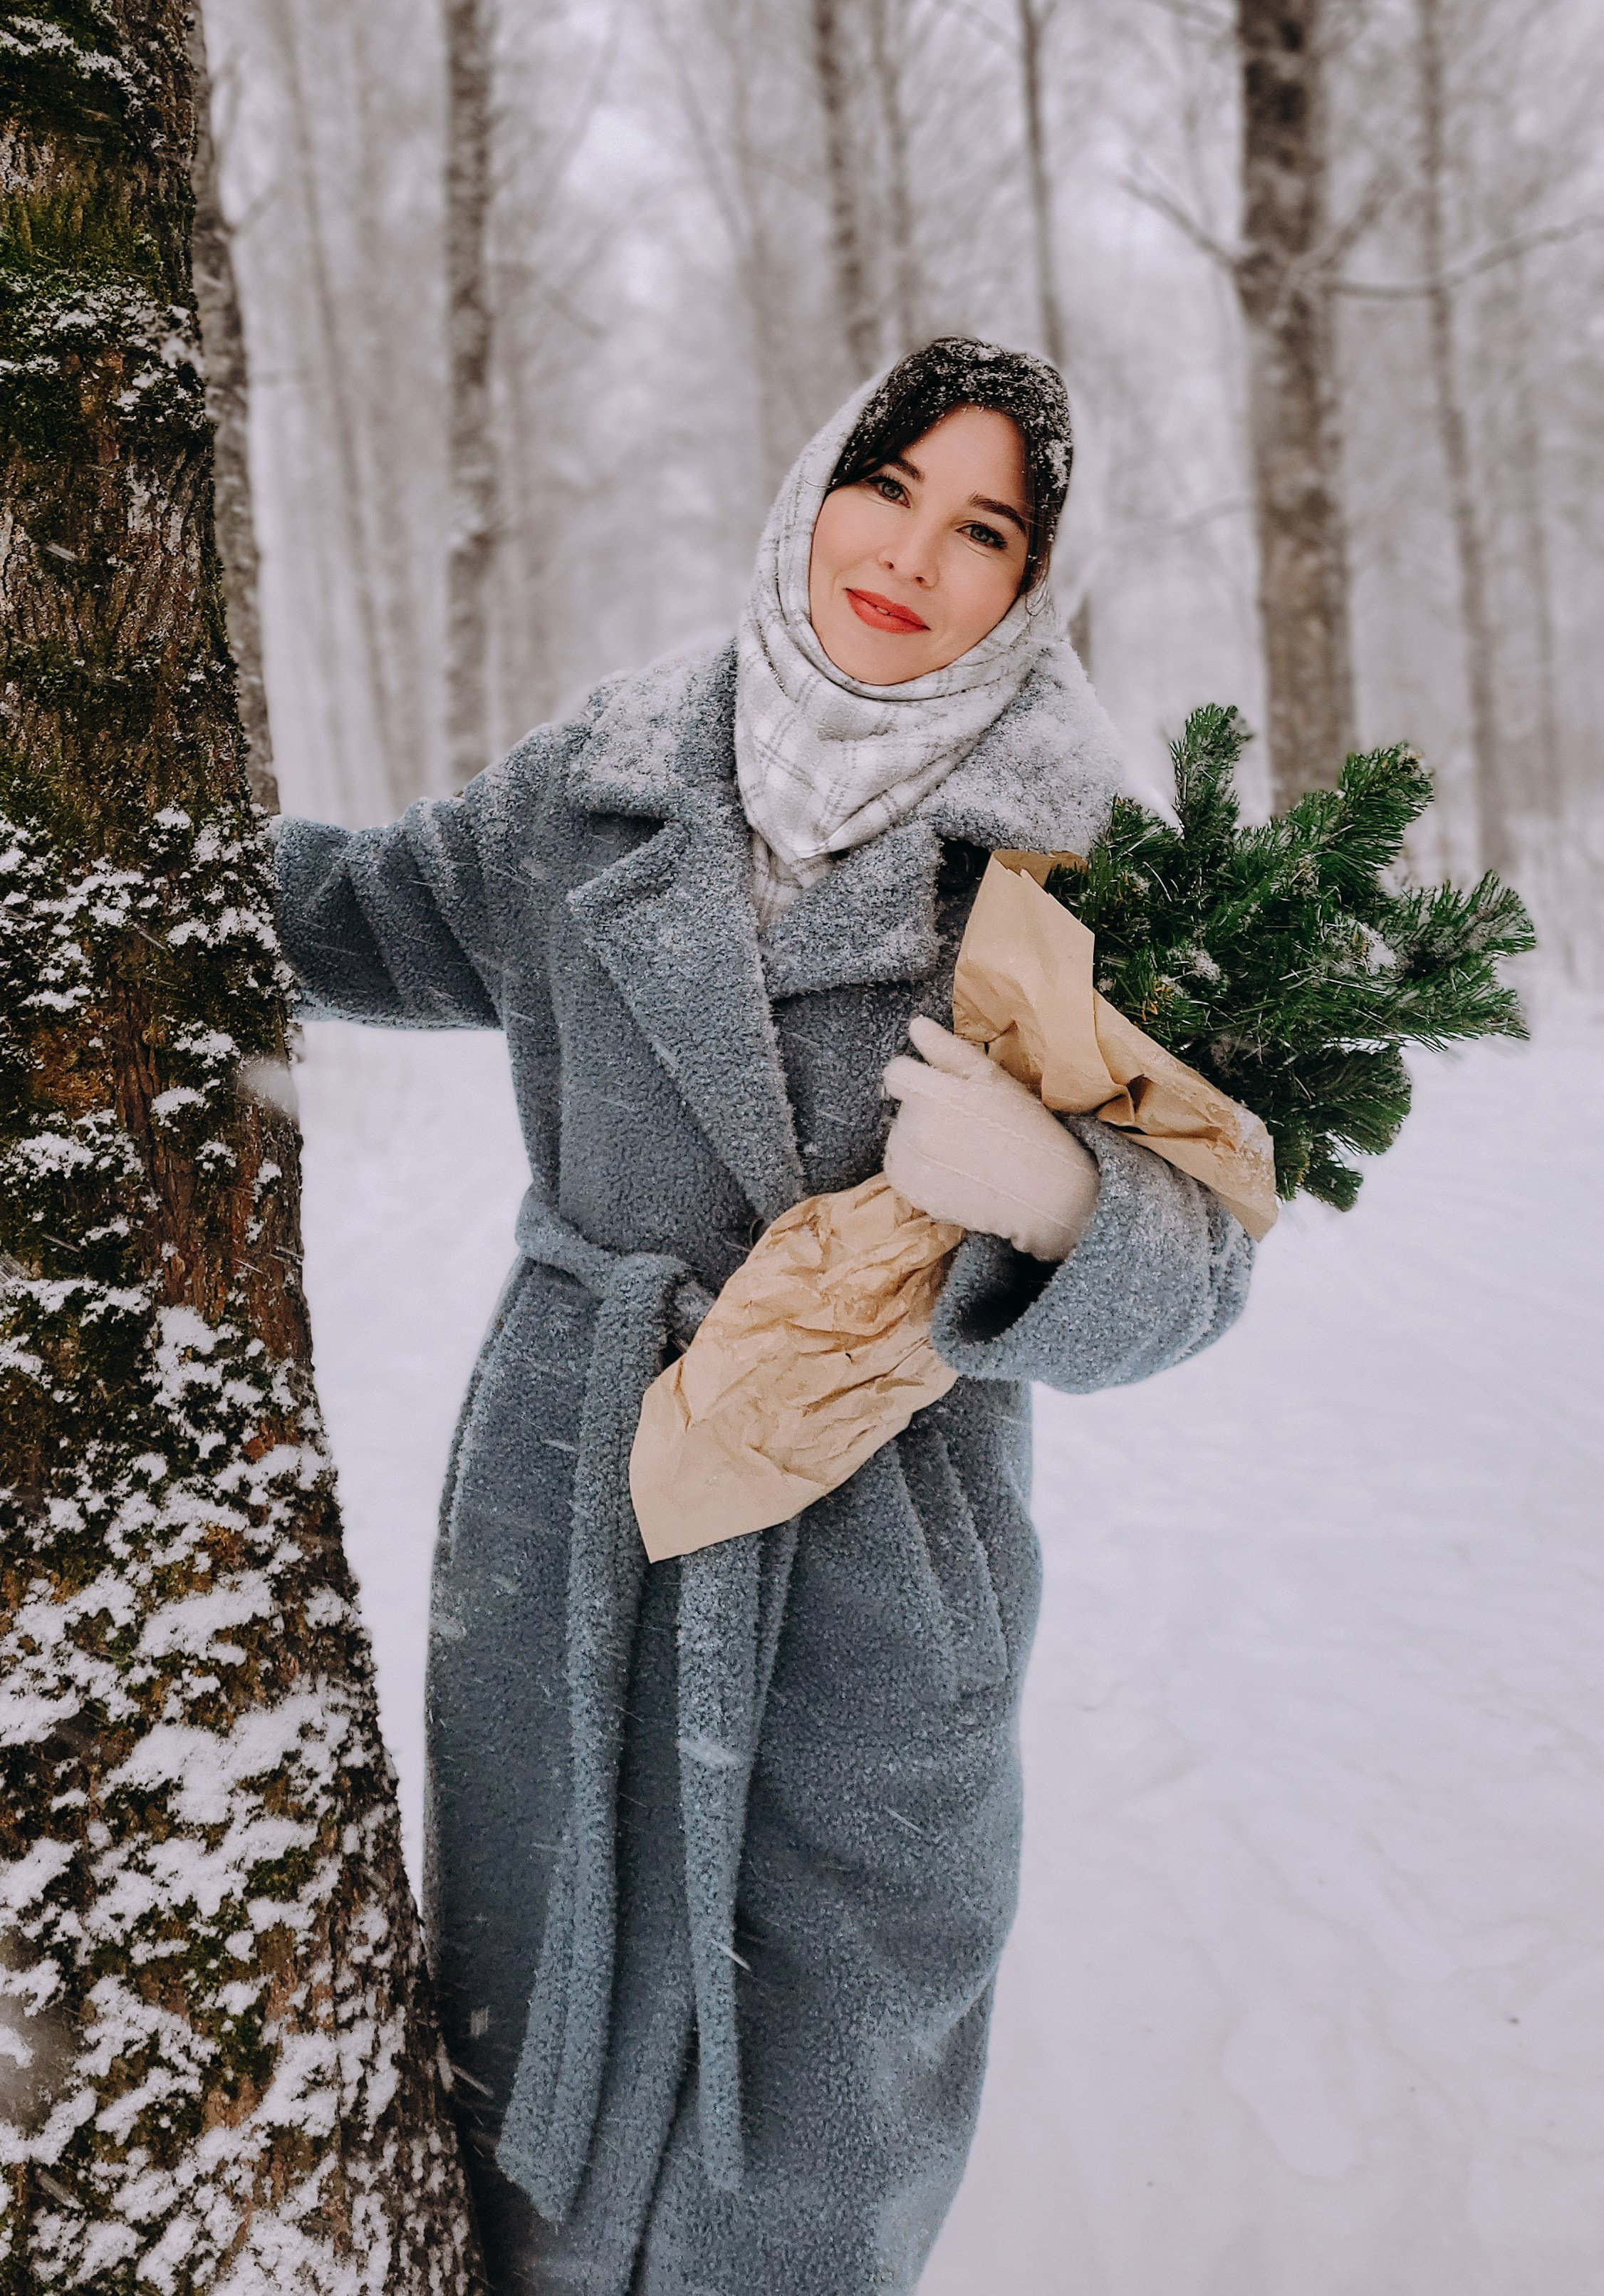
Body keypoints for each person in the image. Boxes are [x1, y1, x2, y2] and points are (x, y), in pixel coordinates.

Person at [271, 338, 1252, 2295]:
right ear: (816, 482)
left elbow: (1203, 1258)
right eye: (885, 485)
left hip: (879, 1554)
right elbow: (345, 913)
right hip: (582, 1498)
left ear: (1034, 580)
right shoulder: (599, 783)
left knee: (826, 2079)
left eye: (983, 527)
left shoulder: (1078, 864)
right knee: (531, 1992)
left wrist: (1056, 1202)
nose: (909, 553)